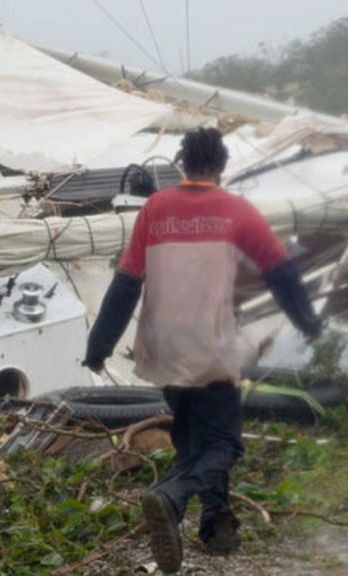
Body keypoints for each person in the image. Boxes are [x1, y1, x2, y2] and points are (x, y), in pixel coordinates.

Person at [83, 127, 322, 573]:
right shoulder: (236, 211)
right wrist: (308, 323)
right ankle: (171, 498)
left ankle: (217, 528)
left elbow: (126, 282)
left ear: (182, 164)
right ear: (223, 165)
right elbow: (280, 273)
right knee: (226, 444)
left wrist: (99, 347)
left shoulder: (155, 209)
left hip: (162, 347)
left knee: (195, 439)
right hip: (209, 346)